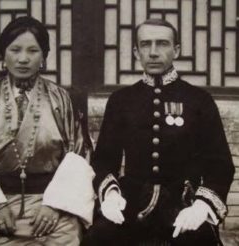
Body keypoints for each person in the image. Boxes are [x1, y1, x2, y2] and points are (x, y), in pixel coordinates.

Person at [81, 19, 235, 246]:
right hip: (131, 202)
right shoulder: (121, 100)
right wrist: (111, 195)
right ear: (136, 52)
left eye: (162, 44)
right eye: (145, 44)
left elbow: (220, 166)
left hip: (183, 203)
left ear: (177, 50)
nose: (153, 52)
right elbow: (104, 160)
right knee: (98, 238)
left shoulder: (198, 100)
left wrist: (201, 207)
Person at [0, 16, 94, 246]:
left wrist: (54, 205)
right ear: (3, 55)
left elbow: (78, 155)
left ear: (43, 57)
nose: (23, 59)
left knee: (67, 237)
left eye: (32, 51)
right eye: (15, 50)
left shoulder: (61, 99)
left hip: (50, 205)